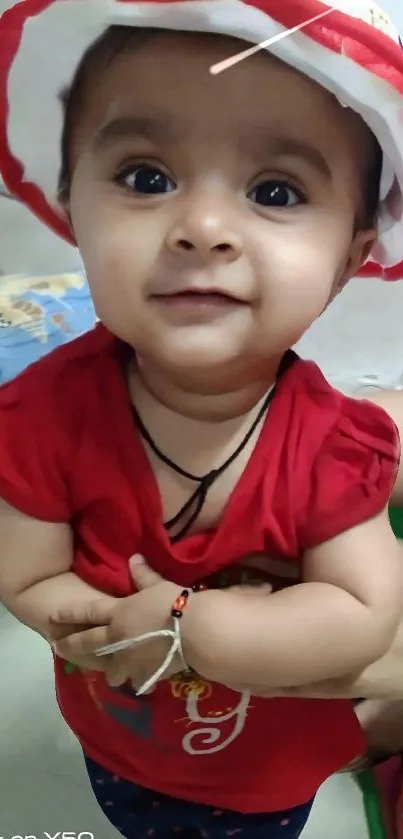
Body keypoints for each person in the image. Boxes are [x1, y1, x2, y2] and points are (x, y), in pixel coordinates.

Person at [1, 2, 403, 838]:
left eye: (274, 190)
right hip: (116, 738)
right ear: (73, 207)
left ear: (348, 258)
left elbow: (363, 614)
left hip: (260, 772)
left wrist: (190, 628)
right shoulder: (40, 410)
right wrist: (88, 624)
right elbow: (26, 572)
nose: (203, 230)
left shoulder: (332, 444)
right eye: (147, 178)